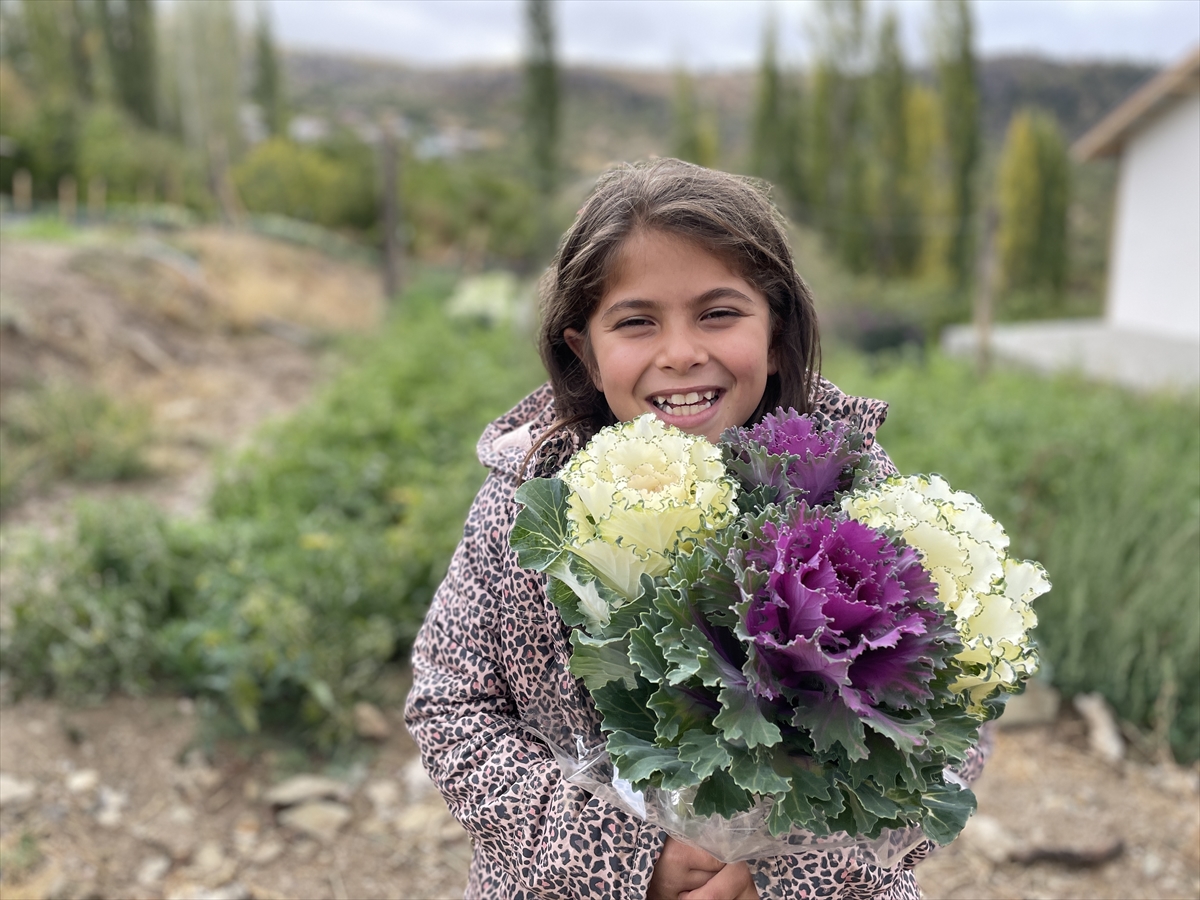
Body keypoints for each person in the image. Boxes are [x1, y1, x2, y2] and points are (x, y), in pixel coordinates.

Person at [404, 158, 989, 900]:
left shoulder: (859, 497)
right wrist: (623, 858)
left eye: (718, 313)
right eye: (636, 321)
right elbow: (450, 703)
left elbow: (949, 727)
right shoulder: (530, 500)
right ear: (583, 349)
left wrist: (785, 874)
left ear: (776, 332)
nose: (680, 352)